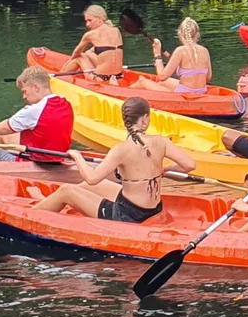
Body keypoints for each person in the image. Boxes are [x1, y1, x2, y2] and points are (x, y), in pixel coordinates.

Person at [32, 95, 195, 223]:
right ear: (145, 118)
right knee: (93, 186)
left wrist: (77, 157)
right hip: (153, 209)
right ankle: (52, 203)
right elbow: (189, 165)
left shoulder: (120, 150)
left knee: (66, 190)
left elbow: (92, 178)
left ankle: (37, 209)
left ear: (126, 120)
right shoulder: (162, 141)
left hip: (128, 215)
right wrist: (165, 169)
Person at [150, 17, 213, 93]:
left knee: (142, 81)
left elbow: (162, 77)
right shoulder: (205, 50)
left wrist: (157, 54)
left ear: (180, 34)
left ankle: (132, 101)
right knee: (161, 83)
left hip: (184, 93)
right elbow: (208, 78)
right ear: (197, 34)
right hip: (201, 91)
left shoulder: (180, 50)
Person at [64, 5, 125, 77]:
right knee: (89, 53)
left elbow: (77, 52)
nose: (87, 24)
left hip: (101, 78)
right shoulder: (116, 30)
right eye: (86, 21)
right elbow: (109, 49)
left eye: (90, 20)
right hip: (118, 76)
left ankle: (61, 75)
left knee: (81, 56)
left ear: (100, 18)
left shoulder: (90, 34)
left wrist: (68, 62)